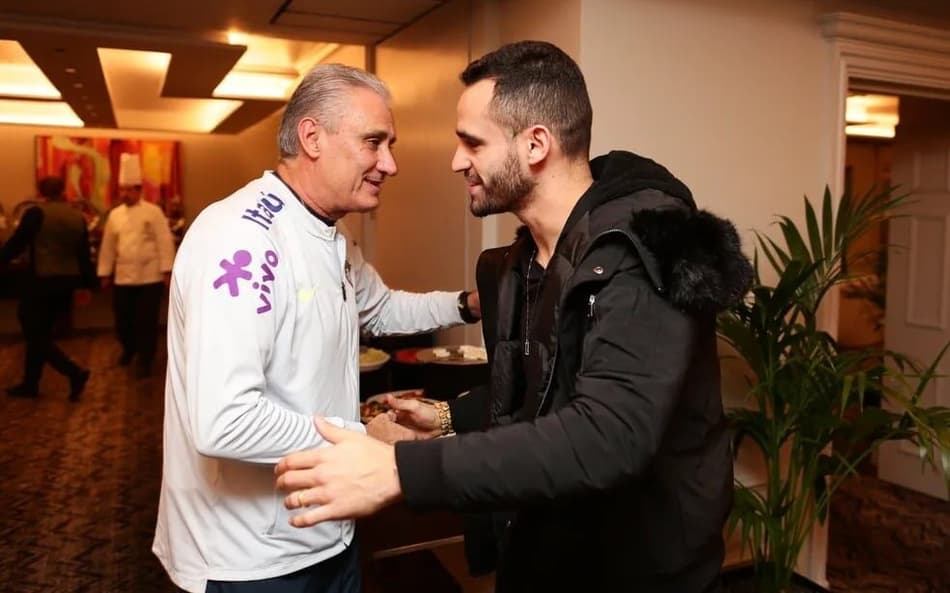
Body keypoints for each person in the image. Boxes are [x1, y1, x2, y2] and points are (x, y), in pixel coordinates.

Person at [275, 41, 754, 593]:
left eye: (471, 142)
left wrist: (401, 473)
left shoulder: (644, 251)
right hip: (544, 559)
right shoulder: (519, 265)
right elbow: (549, 391)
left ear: (535, 145)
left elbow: (609, 434)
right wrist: (449, 417)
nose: (456, 160)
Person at [151, 63, 481, 593]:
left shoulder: (332, 233)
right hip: (249, 559)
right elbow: (223, 420)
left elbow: (380, 309)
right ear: (312, 137)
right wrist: (360, 436)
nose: (390, 164)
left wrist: (467, 304)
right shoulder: (242, 240)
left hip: (328, 533)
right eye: (374, 142)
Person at [0, 176, 94, 401]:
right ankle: (30, 384)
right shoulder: (77, 217)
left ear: (40, 192)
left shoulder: (36, 213)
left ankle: (74, 373)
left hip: (41, 281)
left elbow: (17, 244)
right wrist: (88, 285)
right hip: (66, 283)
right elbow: (83, 255)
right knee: (42, 332)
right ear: (62, 191)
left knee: (33, 332)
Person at [96, 152, 176, 377]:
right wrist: (105, 273)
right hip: (123, 277)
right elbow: (109, 246)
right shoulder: (114, 215)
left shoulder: (153, 212)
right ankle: (128, 348)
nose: (125, 194)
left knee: (146, 322)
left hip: (149, 277)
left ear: (139, 190)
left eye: (130, 189)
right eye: (122, 189)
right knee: (122, 320)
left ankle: (145, 358)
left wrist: (167, 270)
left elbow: (164, 241)